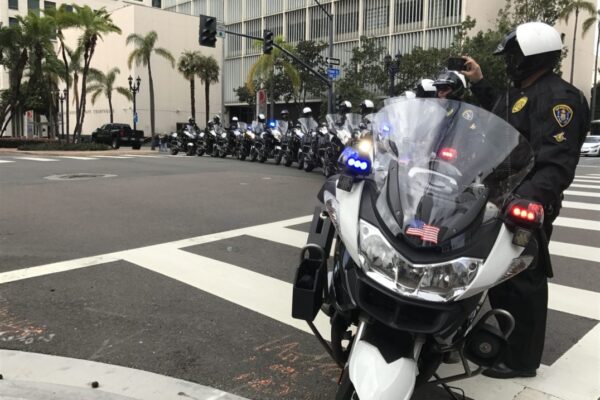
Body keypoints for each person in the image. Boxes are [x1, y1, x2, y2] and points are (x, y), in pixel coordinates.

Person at [461, 21, 590, 379]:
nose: (509, 63)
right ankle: (496, 336)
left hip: (525, 201)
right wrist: (478, 81)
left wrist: (529, 201)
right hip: (495, 194)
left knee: (522, 277)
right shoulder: (518, 91)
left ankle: (521, 360)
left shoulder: (559, 98)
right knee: (495, 273)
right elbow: (500, 113)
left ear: (530, 57)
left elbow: (556, 162)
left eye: (513, 56)